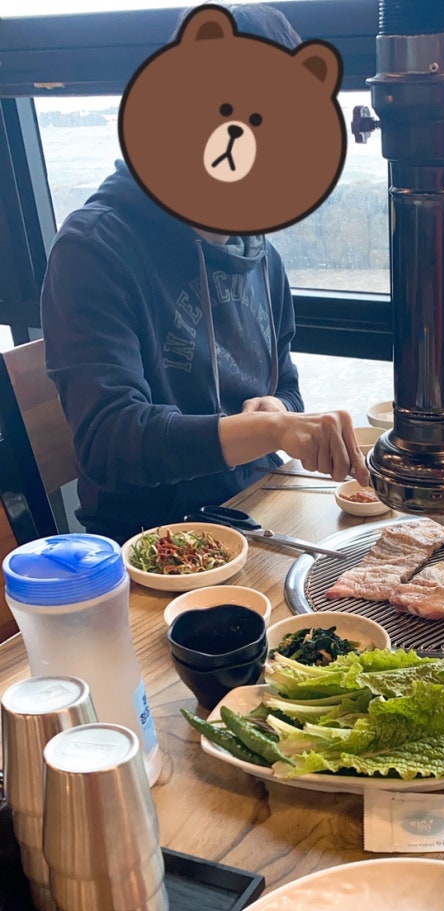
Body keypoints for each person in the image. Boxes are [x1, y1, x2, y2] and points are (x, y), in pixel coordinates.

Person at [40, 3, 366, 544]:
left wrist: (279, 409)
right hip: (155, 539)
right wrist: (271, 428)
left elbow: (284, 383)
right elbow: (108, 442)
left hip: (260, 504)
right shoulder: (96, 248)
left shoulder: (259, 251)